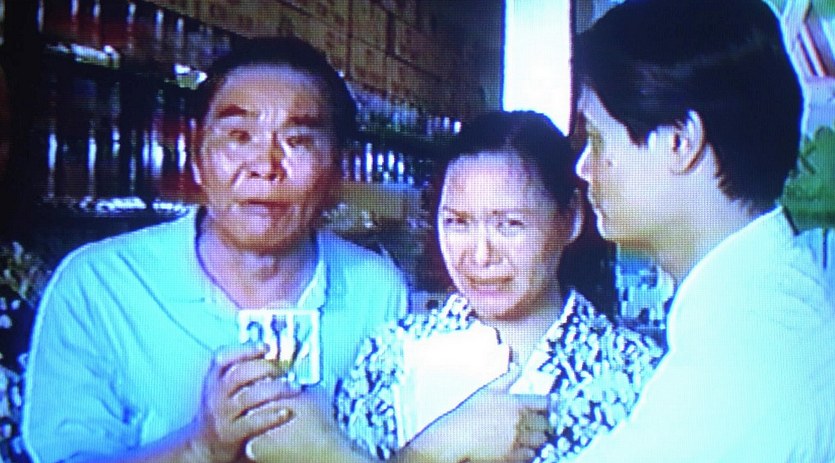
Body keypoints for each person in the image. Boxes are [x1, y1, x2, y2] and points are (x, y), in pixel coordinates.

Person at [22, 37, 408, 463]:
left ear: (336, 168)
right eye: (239, 136)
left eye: (298, 141)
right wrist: (199, 446)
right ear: (197, 158)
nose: (265, 166)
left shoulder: (377, 289)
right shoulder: (99, 284)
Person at [569, 0, 835, 461]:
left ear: (680, 141)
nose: (584, 167)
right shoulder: (763, 301)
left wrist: (439, 448)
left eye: (597, 139)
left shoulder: (743, 355)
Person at [335, 111, 664, 462]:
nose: (480, 255)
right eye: (458, 222)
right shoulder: (391, 357)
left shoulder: (638, 375)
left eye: (509, 224)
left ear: (570, 219)